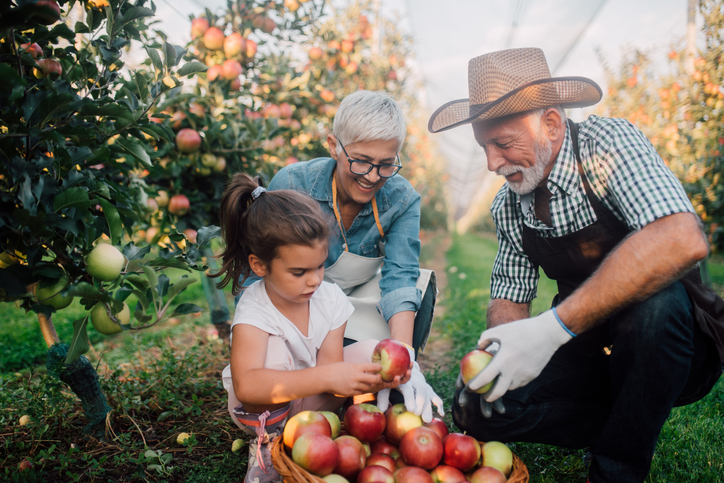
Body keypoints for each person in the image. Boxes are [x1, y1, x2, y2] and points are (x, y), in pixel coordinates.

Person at [428, 47, 724, 483]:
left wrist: (551, 329)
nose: (492, 163)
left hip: (671, 346)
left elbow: (682, 238)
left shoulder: (609, 146)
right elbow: (509, 295)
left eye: (503, 143)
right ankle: (625, 419)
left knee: (653, 306)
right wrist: (494, 358)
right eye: (484, 147)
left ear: (550, 123)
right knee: (480, 408)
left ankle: (616, 469)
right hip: (591, 346)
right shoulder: (510, 205)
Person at [213, 173, 409, 483]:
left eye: (319, 266)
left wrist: (372, 377)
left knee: (372, 350)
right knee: (273, 349)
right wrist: (328, 376)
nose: (314, 280)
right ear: (259, 266)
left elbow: (330, 369)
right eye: (299, 271)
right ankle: (267, 445)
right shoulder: (254, 308)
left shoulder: (329, 298)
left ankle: (354, 423)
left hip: (310, 400)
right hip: (261, 410)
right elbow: (248, 389)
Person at [265, 90, 444, 422]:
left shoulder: (402, 199)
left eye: (387, 164)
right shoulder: (293, 185)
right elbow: (265, 275)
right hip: (299, 298)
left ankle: (378, 385)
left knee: (419, 283)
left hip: (355, 300)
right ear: (334, 146)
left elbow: (400, 275)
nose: (373, 176)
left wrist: (404, 359)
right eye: (361, 160)